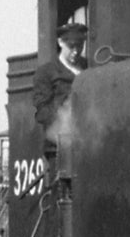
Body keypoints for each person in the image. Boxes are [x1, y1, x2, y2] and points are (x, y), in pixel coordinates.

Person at [32, 21, 89, 161]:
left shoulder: (89, 68)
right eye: (71, 46)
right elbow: (42, 112)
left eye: (80, 45)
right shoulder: (46, 73)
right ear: (60, 42)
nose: (76, 51)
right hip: (58, 147)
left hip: (88, 141)